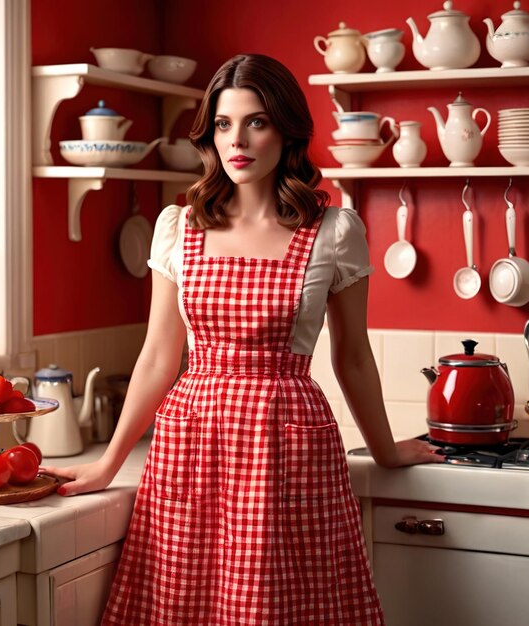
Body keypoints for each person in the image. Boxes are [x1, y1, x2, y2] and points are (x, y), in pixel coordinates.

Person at [42, 53, 444, 625]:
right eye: (224, 124)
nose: (238, 140)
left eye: (256, 121)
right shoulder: (178, 226)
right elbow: (160, 355)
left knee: (285, 606)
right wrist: (109, 462)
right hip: (191, 443)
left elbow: (353, 356)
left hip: (290, 450)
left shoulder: (334, 231)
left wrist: (384, 450)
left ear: (286, 129)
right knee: (185, 600)